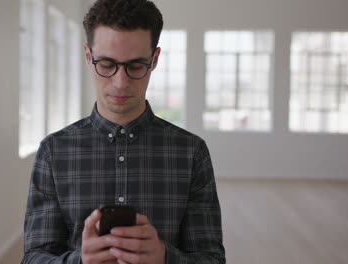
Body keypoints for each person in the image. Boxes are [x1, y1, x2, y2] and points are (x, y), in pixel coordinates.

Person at [22, 0, 226, 263]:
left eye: (136, 66)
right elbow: (33, 258)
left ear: (154, 60)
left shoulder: (191, 152)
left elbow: (212, 259)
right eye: (106, 64)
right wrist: (80, 261)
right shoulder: (53, 151)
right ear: (88, 56)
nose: (120, 83)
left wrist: (164, 257)